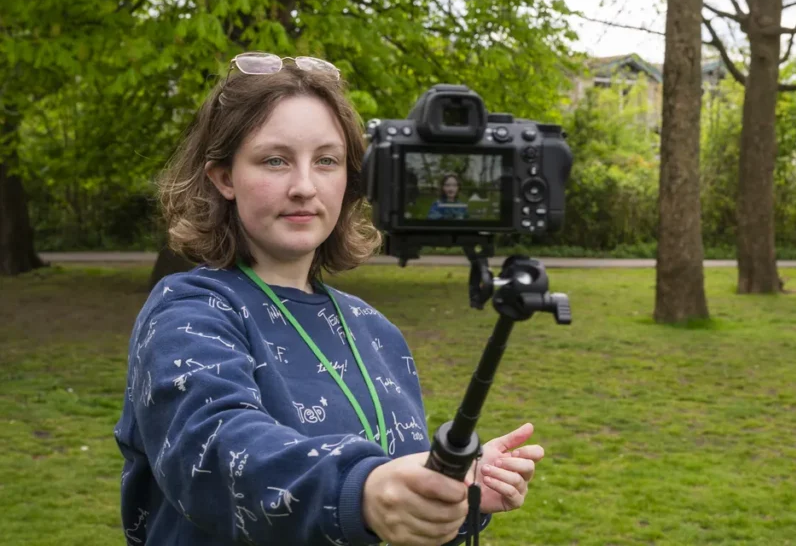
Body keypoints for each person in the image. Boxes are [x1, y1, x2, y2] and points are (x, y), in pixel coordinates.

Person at [113, 52, 544, 546]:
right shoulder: (187, 312)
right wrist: (363, 492)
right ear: (224, 177)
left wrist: (454, 490)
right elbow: (214, 452)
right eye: (274, 160)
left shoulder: (376, 330)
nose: (304, 186)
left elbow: (394, 498)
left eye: (326, 161)